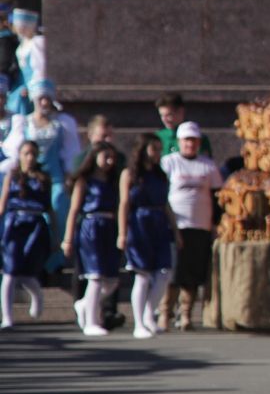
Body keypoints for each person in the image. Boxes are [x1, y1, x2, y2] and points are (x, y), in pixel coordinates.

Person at [4, 80, 83, 274]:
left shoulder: (61, 123)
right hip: (31, 178)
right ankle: (30, 256)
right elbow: (14, 151)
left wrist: (69, 175)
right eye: (41, 99)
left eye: (47, 99)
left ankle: (54, 261)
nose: (44, 103)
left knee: (57, 207)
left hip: (54, 177)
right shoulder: (25, 122)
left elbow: (70, 152)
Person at [160, 122, 222, 331]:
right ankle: (165, 312)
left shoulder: (208, 166)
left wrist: (215, 223)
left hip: (200, 224)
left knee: (193, 272)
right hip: (176, 224)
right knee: (174, 271)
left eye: (194, 140)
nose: (190, 144)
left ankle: (186, 313)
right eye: (187, 140)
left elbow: (217, 197)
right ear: (179, 141)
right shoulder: (169, 163)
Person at [118, 133, 175, 339]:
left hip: (159, 223)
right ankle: (139, 323)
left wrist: (175, 230)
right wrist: (122, 232)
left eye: (160, 150)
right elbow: (124, 203)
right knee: (141, 275)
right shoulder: (130, 174)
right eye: (154, 149)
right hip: (138, 223)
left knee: (164, 273)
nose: (158, 154)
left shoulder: (160, 175)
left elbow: (166, 204)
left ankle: (149, 312)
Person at [65, 141, 123, 337]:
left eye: (112, 157)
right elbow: (74, 210)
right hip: (91, 227)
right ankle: (91, 321)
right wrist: (68, 239)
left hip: (109, 227)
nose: (109, 161)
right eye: (105, 156)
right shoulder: (85, 181)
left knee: (112, 280)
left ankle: (84, 304)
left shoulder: (112, 181)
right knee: (95, 276)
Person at [0, 139, 52, 327]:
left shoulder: (43, 178)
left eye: (33, 154)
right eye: (26, 153)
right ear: (20, 156)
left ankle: (37, 295)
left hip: (35, 225)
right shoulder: (12, 177)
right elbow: (2, 204)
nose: (29, 158)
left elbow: (49, 207)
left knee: (28, 270)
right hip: (15, 226)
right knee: (10, 271)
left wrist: (55, 232)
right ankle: (7, 317)